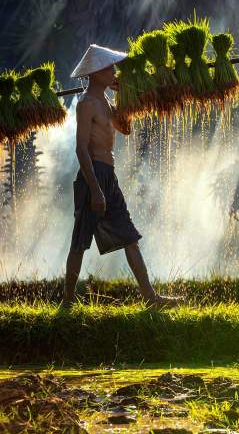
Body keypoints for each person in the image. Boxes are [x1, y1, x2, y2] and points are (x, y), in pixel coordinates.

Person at [62, 44, 179, 308]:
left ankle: (151, 298)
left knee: (130, 238)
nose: (115, 71)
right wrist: (95, 190)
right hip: (92, 176)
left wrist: (126, 94)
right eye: (110, 68)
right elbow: (81, 149)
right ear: (96, 73)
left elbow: (124, 129)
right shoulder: (86, 105)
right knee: (79, 241)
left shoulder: (105, 102)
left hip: (109, 176)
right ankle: (67, 302)